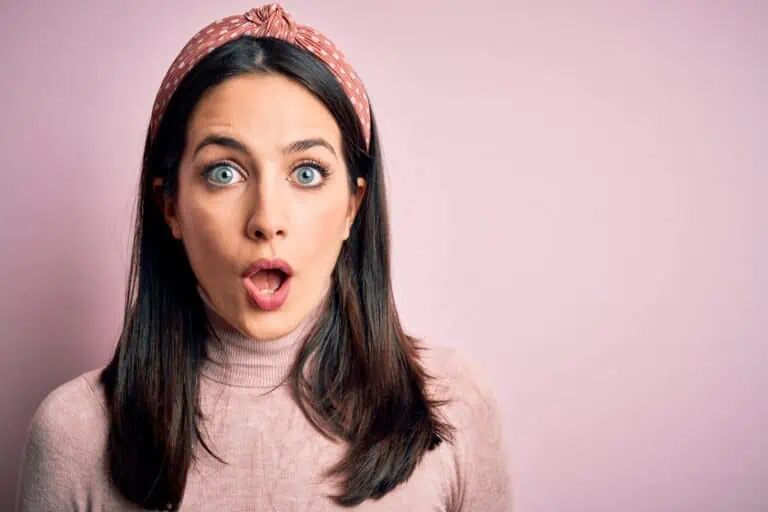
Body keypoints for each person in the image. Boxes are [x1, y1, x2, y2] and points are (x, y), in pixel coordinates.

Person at [15, 4, 512, 511]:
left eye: (307, 173)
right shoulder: (75, 434)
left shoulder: (453, 405)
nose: (267, 219)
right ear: (172, 207)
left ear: (352, 208)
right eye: (225, 172)